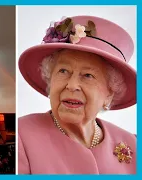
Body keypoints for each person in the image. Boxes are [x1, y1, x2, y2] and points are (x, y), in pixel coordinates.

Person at [18, 15, 136, 174]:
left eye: (88, 75)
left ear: (109, 93)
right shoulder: (21, 136)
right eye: (63, 71)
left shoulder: (134, 145)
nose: (72, 85)